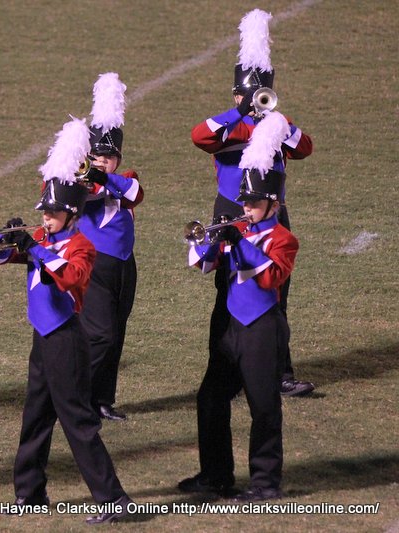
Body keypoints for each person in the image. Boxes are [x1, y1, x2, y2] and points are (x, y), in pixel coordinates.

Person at [0, 118, 132, 524]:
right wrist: (7, 239)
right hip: (43, 339)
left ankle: (113, 499)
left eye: (52, 214)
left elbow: (70, 277)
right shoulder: (43, 240)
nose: (45, 219)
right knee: (35, 417)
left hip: (67, 340)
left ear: (70, 213)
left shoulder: (81, 246)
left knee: (78, 421)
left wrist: (35, 249)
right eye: (44, 213)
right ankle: (29, 494)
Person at [190, 8, 314, 397]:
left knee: (276, 293)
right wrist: (240, 112)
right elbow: (200, 135)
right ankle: (224, 373)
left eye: (258, 95)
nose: (253, 101)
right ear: (236, 95)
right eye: (245, 94)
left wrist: (278, 123)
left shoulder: (276, 127)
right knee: (227, 292)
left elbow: (305, 148)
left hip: (273, 214)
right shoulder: (229, 126)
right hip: (232, 211)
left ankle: (279, 374)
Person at [179, 111, 297, 502]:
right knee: (210, 398)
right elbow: (202, 265)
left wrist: (240, 242)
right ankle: (215, 476)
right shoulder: (238, 228)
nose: (247, 209)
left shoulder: (283, 239)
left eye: (255, 203)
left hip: (262, 328)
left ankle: (265, 482)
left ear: (274, 204)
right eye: (245, 202)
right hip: (229, 325)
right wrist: (211, 242)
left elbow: (270, 277)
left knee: (263, 406)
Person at [79, 72, 144, 421]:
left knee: (116, 333)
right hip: (95, 265)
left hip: (124, 265)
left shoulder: (125, 179)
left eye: (109, 156)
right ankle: (79, 399)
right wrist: (94, 177)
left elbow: (135, 193)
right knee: (100, 335)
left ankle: (103, 400)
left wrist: (105, 177)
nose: (102, 160)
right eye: (97, 156)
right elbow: (84, 193)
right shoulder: (79, 182)